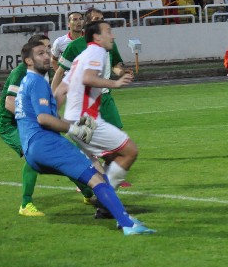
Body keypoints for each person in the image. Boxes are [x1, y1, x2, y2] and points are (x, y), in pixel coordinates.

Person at [15, 38, 153, 235]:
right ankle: (127, 224)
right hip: (47, 145)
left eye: (47, 51)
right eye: (40, 53)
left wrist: (75, 124)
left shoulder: (27, 82)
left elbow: (47, 117)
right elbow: (44, 119)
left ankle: (115, 212)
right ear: (28, 61)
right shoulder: (37, 82)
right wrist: (75, 129)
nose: (47, 56)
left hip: (32, 151)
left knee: (95, 172)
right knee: (98, 179)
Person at [0, 35, 93, 217]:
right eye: (43, 50)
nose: (48, 54)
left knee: (60, 155)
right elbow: (10, 103)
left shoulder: (43, 72)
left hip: (33, 122)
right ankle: (26, 204)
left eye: (49, 50)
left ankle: (88, 193)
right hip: (10, 124)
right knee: (32, 156)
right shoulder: (21, 72)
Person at [52, 9, 127, 133]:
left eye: (102, 19)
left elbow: (115, 65)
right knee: (88, 138)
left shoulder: (109, 42)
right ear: (87, 23)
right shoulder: (74, 46)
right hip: (84, 98)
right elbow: (60, 72)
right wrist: (52, 101)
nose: (100, 22)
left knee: (117, 133)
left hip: (105, 96)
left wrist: (122, 73)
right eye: (96, 19)